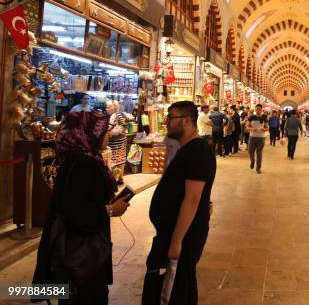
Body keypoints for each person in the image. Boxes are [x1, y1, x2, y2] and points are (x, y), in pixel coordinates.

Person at [33, 111, 130, 304]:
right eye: (102, 131)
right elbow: (75, 213)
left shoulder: (78, 161)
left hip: (78, 259)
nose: (107, 135)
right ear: (85, 134)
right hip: (81, 260)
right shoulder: (84, 165)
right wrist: (109, 209)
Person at [143, 101, 216, 304]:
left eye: (171, 117)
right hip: (172, 232)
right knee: (175, 285)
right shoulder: (187, 149)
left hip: (182, 235)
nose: (167, 122)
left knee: (173, 290)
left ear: (185, 121)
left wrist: (176, 241)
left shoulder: (198, 151)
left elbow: (192, 198)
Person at [246, 104, 268, 174]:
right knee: (250, 151)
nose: (258, 110)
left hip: (261, 138)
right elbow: (247, 127)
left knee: (259, 153)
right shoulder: (251, 117)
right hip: (252, 137)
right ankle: (252, 160)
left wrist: (263, 129)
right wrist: (252, 129)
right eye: (257, 109)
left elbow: (267, 128)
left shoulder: (264, 117)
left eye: (259, 109)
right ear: (255, 109)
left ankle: (258, 168)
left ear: (261, 110)